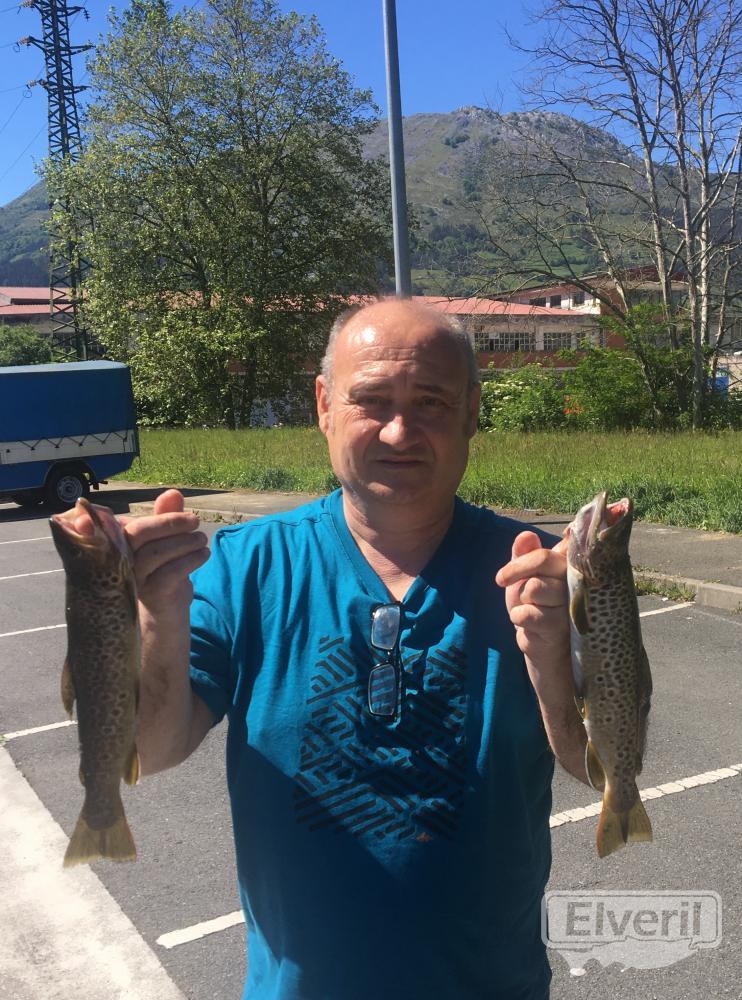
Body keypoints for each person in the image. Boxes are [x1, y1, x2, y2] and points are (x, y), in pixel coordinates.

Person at [99, 298, 588, 999]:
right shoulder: (246, 566)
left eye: (430, 401)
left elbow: (603, 769)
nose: (399, 430)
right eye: (371, 400)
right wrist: (159, 619)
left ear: (471, 414)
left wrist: (550, 659)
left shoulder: (543, 573)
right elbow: (149, 748)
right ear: (325, 406)